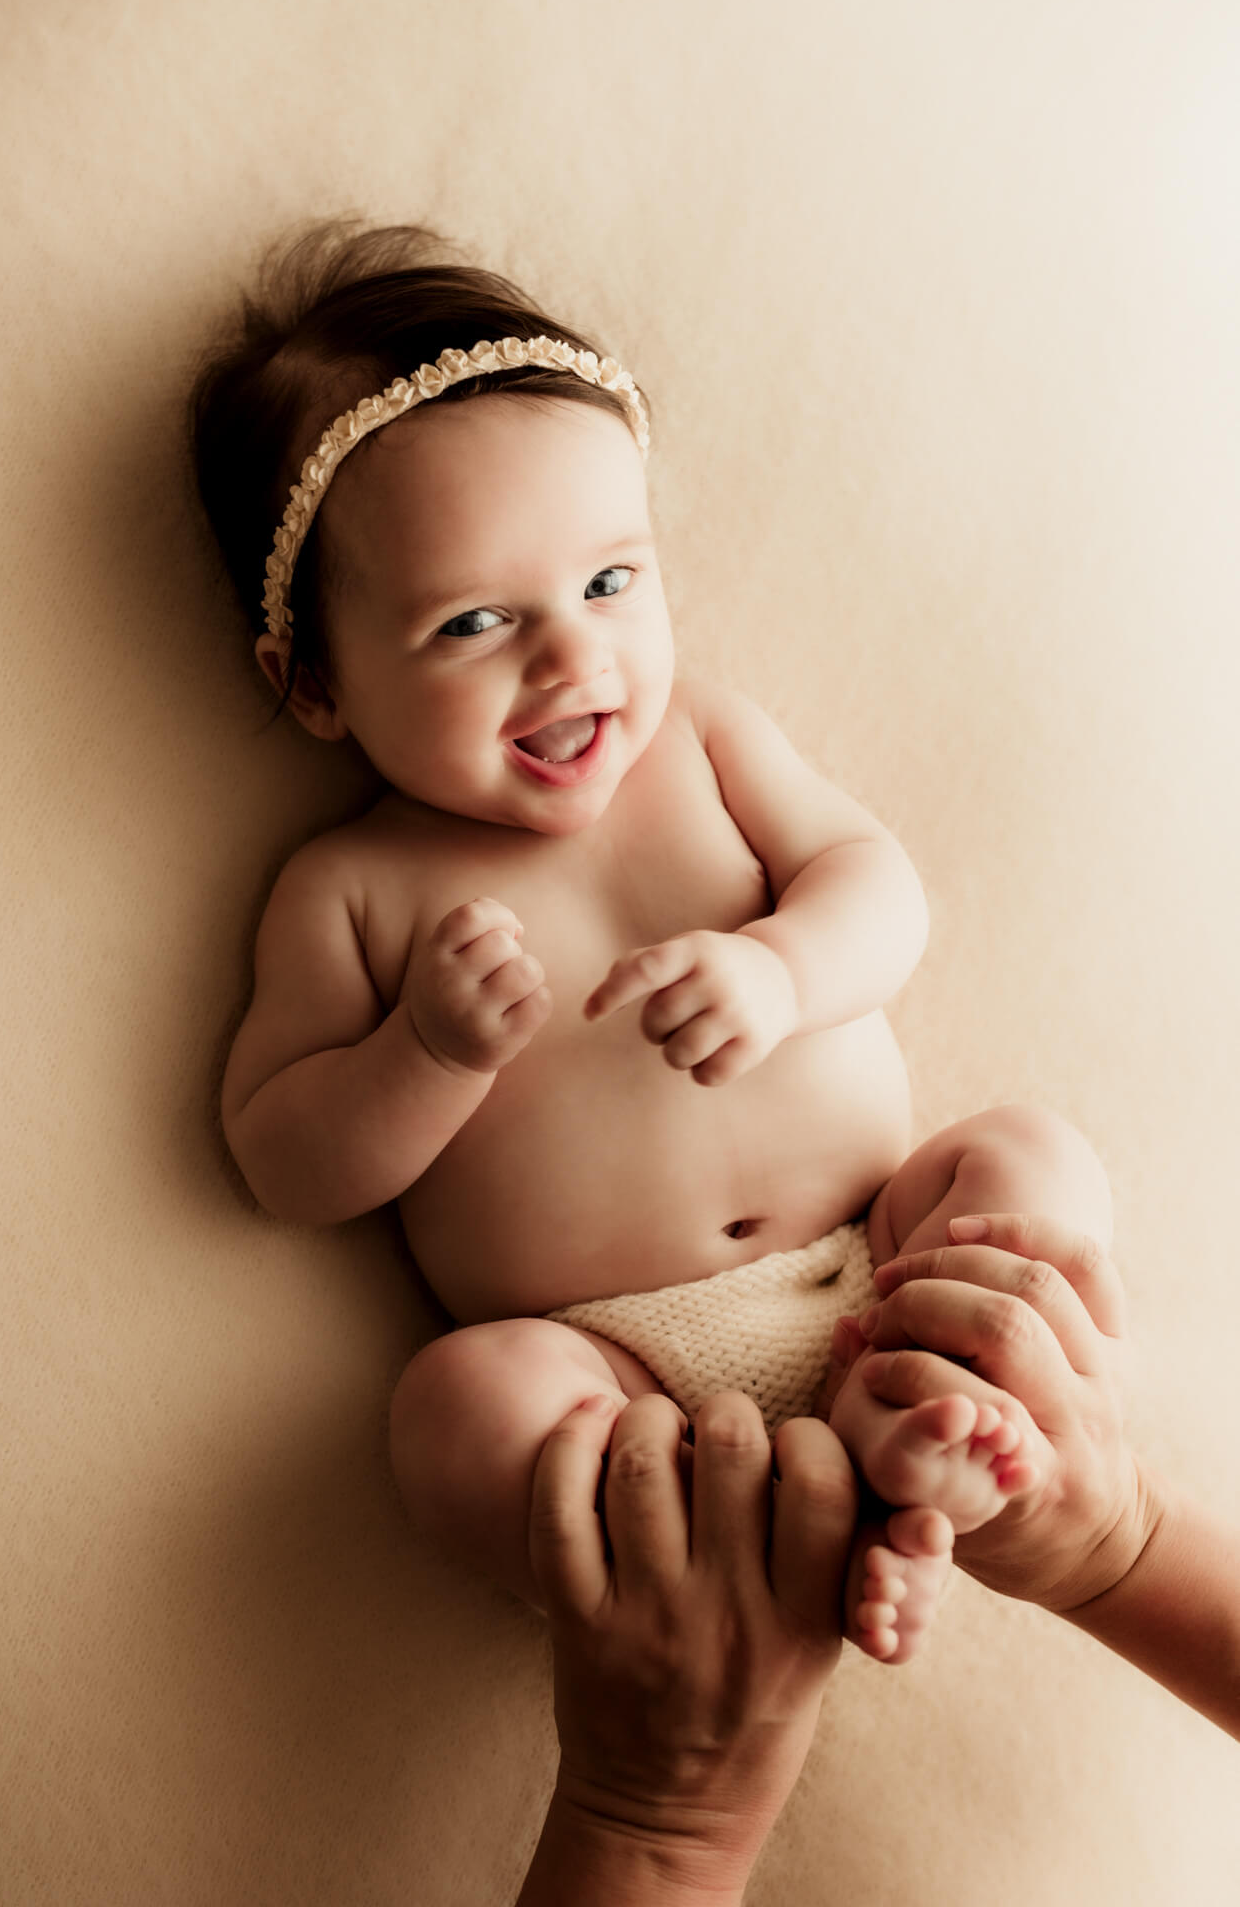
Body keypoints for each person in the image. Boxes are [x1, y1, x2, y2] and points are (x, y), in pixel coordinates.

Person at [191, 218, 1114, 1656]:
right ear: (313, 685)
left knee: (1029, 1155)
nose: (573, 658)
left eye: (611, 583)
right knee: (458, 1411)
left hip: (879, 1259)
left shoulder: (701, 743)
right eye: (477, 623)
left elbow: (880, 889)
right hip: (623, 1366)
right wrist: (423, 1055)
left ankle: (978, 1403)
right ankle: (738, 1558)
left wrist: (781, 966)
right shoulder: (350, 887)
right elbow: (281, 1159)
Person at [519, 1214, 1239, 1904]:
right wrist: (1120, 1541)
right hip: (861, 1305)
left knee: (463, 1412)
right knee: (1030, 1161)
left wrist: (658, 1830)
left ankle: (887, 1473)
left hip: (598, 1376)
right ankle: (905, 1461)